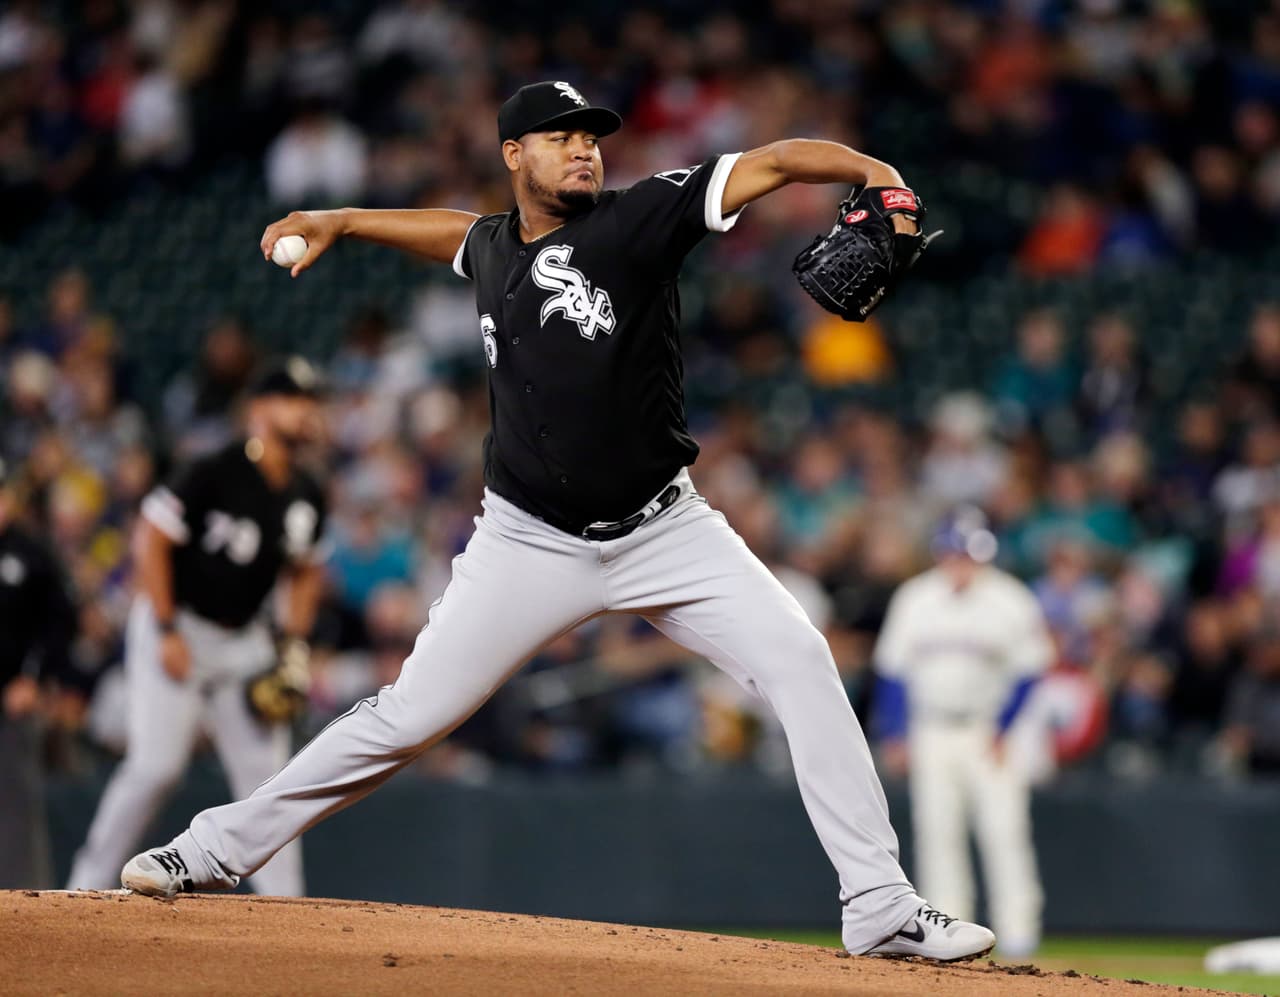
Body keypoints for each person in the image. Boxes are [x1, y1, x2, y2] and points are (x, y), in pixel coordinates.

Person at [122, 81, 995, 961]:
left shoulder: (640, 219)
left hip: (666, 531)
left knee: (803, 661)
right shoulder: (495, 246)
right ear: (513, 155)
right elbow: (451, 233)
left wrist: (875, 169)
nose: (584, 148)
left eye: (591, 136)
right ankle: (210, 848)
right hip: (527, 539)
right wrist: (343, 220)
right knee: (406, 715)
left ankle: (879, 902)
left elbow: (772, 162)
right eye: (559, 136)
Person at [67, 358, 329, 895]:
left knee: (270, 785)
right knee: (156, 768)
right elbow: (151, 540)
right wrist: (165, 628)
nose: (304, 411)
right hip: (180, 625)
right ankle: (84, 886)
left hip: (244, 642)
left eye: (308, 402)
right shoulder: (214, 469)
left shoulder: (308, 493)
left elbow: (306, 573)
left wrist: (294, 643)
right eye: (291, 399)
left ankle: (288, 910)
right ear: (258, 409)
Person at [872, 507, 1054, 958]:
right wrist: (896, 733)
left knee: (1003, 831)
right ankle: (949, 932)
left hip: (987, 730)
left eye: (971, 556)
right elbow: (893, 671)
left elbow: (1031, 670)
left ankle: (1018, 934)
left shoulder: (1010, 599)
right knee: (938, 833)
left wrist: (1005, 728)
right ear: (941, 553)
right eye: (956, 554)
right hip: (931, 728)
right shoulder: (915, 597)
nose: (963, 564)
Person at [0, 456, 78, 888]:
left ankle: (16, 898)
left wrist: (35, 678)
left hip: (10, 700)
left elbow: (60, 621)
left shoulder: (30, 553)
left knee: (13, 805)